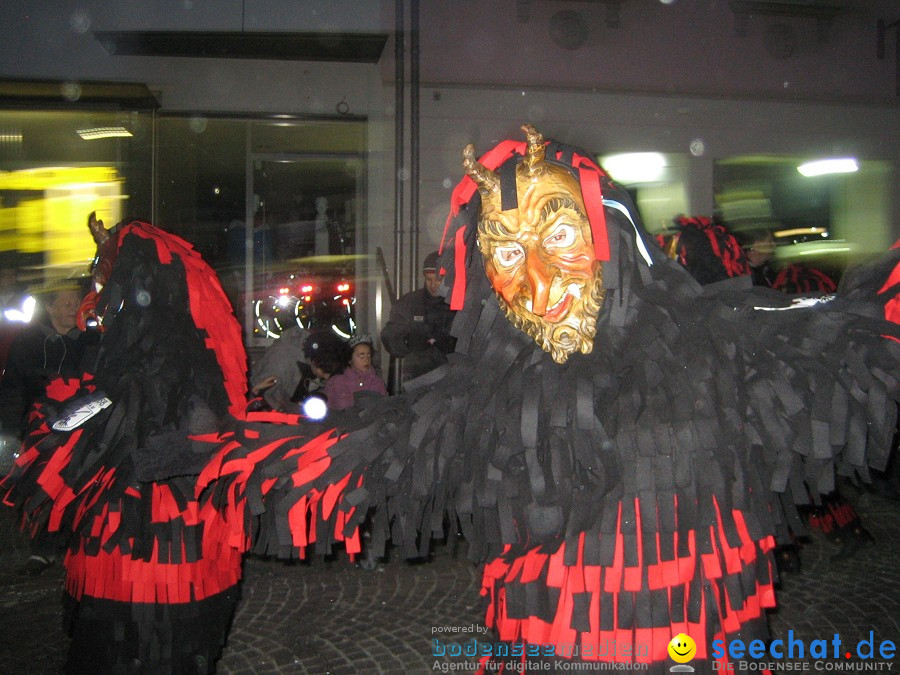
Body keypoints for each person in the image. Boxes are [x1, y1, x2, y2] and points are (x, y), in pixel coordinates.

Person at [0, 282, 97, 575]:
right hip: (43, 432)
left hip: (88, 427)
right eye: (67, 303)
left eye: (77, 301)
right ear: (51, 307)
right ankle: (44, 547)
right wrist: (9, 432)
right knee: (45, 484)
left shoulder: (93, 340)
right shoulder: (28, 343)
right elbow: (14, 390)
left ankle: (82, 543)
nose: (74, 307)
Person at [381, 250, 456, 389]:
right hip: (417, 379)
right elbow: (390, 335)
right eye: (429, 279)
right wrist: (407, 341)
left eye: (438, 279)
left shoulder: (458, 305)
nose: (433, 285)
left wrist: (451, 343)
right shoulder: (409, 303)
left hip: (452, 380)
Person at [323, 333, 387, 411]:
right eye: (361, 356)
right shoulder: (336, 382)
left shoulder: (377, 382)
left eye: (368, 355)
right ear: (350, 359)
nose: (366, 359)